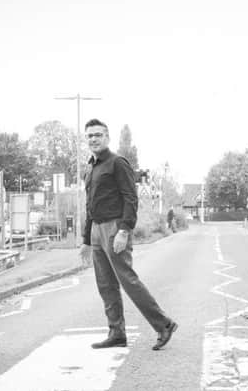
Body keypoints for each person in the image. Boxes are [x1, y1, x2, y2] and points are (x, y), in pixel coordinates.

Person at [80, 118, 177, 350]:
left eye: (98, 135)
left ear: (107, 137)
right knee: (105, 284)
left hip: (115, 228)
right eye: (90, 136)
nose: (93, 139)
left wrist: (124, 230)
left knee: (128, 281)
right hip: (96, 230)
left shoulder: (117, 163)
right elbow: (89, 206)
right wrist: (86, 239)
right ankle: (116, 333)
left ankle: (163, 324)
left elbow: (130, 199)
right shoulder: (90, 167)